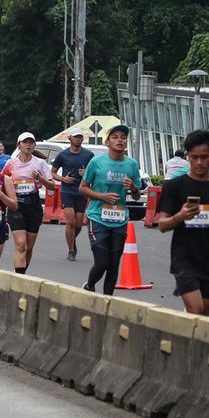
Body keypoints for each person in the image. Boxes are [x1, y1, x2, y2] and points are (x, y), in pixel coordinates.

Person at [157, 130, 209, 316]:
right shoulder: (175, 186)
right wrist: (180, 216)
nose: (200, 162)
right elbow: (162, 224)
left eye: (204, 157)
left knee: (203, 316)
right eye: (194, 157)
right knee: (196, 309)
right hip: (184, 259)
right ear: (187, 156)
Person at [79, 124, 143, 295]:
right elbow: (83, 188)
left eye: (123, 137)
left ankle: (108, 301)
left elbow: (136, 195)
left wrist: (134, 188)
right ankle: (90, 285)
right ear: (107, 143)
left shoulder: (131, 165)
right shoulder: (96, 162)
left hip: (120, 219)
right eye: (115, 137)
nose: (120, 140)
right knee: (102, 262)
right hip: (97, 216)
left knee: (114, 263)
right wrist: (102, 197)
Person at [2, 132, 55, 273]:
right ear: (19, 145)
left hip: (33, 205)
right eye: (25, 142)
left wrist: (40, 178)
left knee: (29, 247)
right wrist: (10, 185)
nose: (28, 145)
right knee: (21, 245)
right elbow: (2, 181)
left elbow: (52, 186)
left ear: (34, 145)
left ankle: (22, 273)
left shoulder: (40, 163)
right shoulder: (11, 163)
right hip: (17, 205)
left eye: (31, 142)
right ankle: (19, 277)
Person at [50, 128, 95, 261]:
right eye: (76, 137)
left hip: (82, 191)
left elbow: (94, 173)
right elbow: (53, 172)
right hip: (67, 191)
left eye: (80, 137)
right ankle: (71, 250)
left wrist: (86, 173)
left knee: (79, 224)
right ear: (70, 138)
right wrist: (64, 179)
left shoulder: (88, 155)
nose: (78, 139)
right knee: (70, 221)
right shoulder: (63, 155)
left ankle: (71, 240)